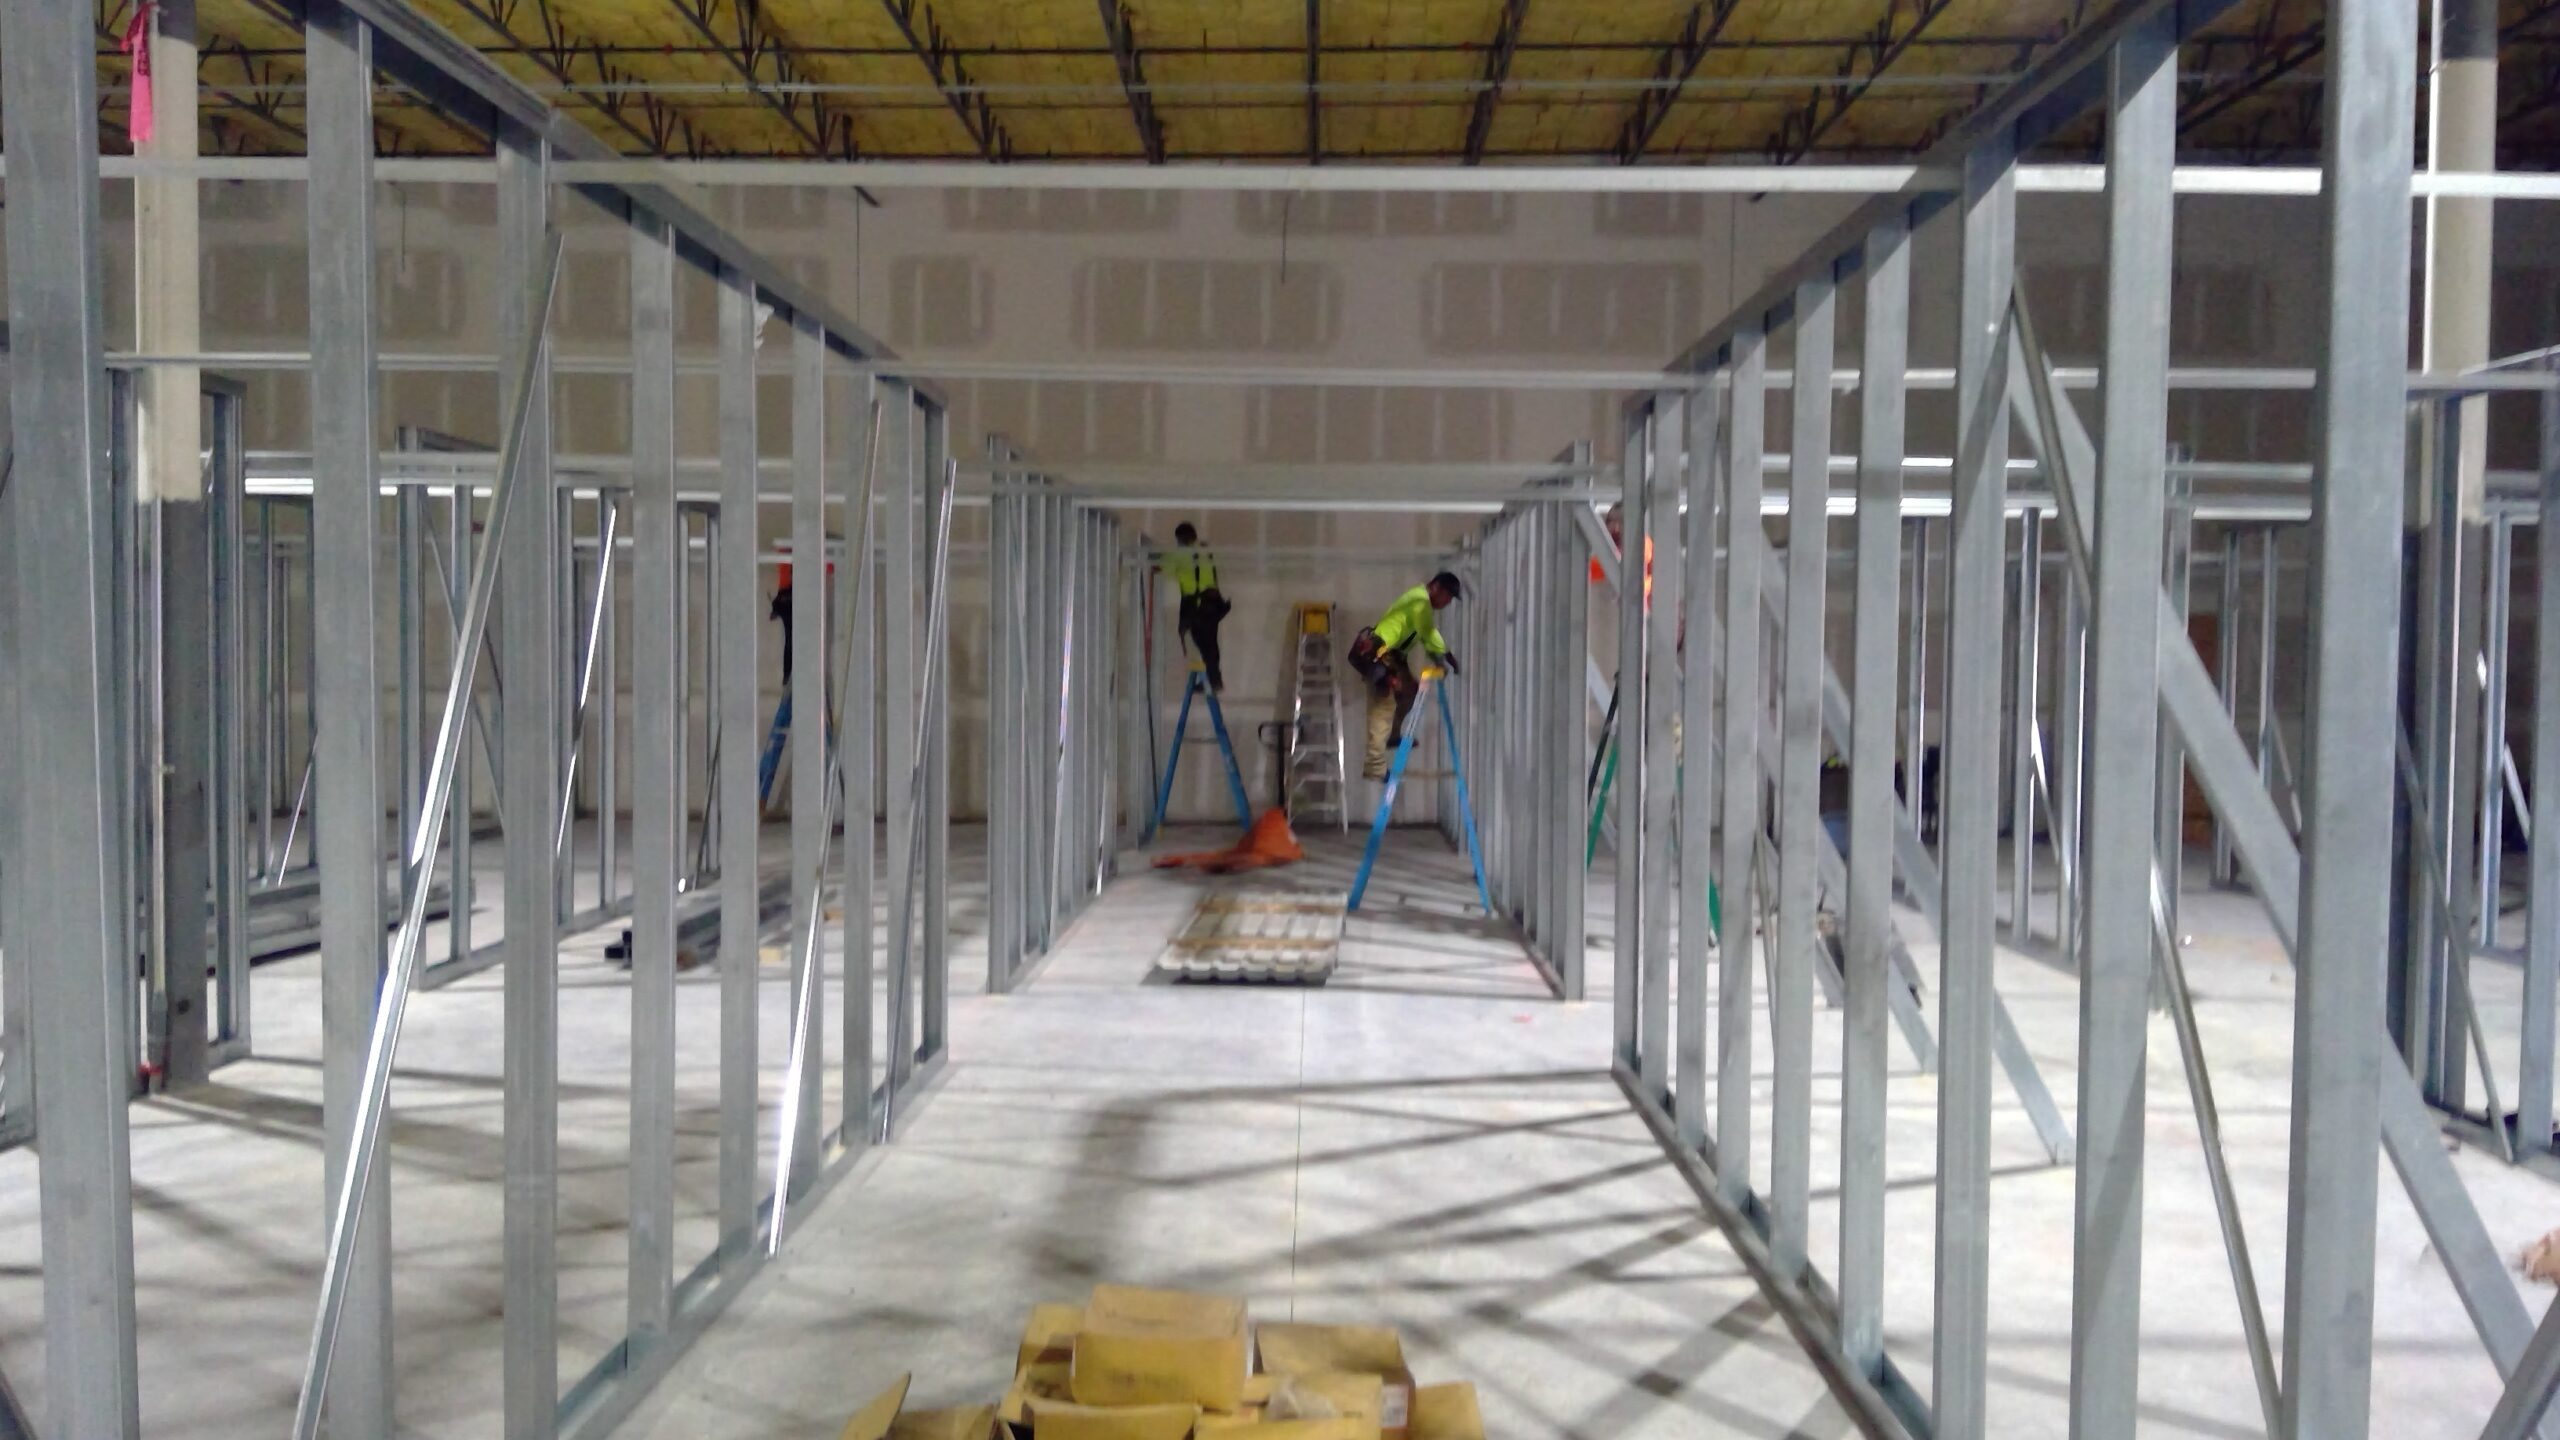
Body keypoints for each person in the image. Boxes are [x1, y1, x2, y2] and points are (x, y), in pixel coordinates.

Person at [1349, 571, 1463, 780]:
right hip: (1380, 654)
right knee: (1382, 708)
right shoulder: (1419, 601)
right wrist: (1446, 655)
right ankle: (1375, 768)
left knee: (1410, 691)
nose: (1447, 602)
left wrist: (1440, 657)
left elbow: (1423, 635)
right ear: (1436, 587)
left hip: (1393, 656)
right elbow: (1428, 633)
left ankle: (1392, 736)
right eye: (1447, 596)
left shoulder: (1420, 605)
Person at [1161, 522, 1229, 691]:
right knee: (1210, 644)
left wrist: (1156, 556)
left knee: (1198, 641)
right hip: (1213, 604)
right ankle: (1214, 679)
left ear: (1180, 539)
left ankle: (1211, 680)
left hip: (1197, 606)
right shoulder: (1206, 551)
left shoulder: (1180, 554)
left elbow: (1162, 568)